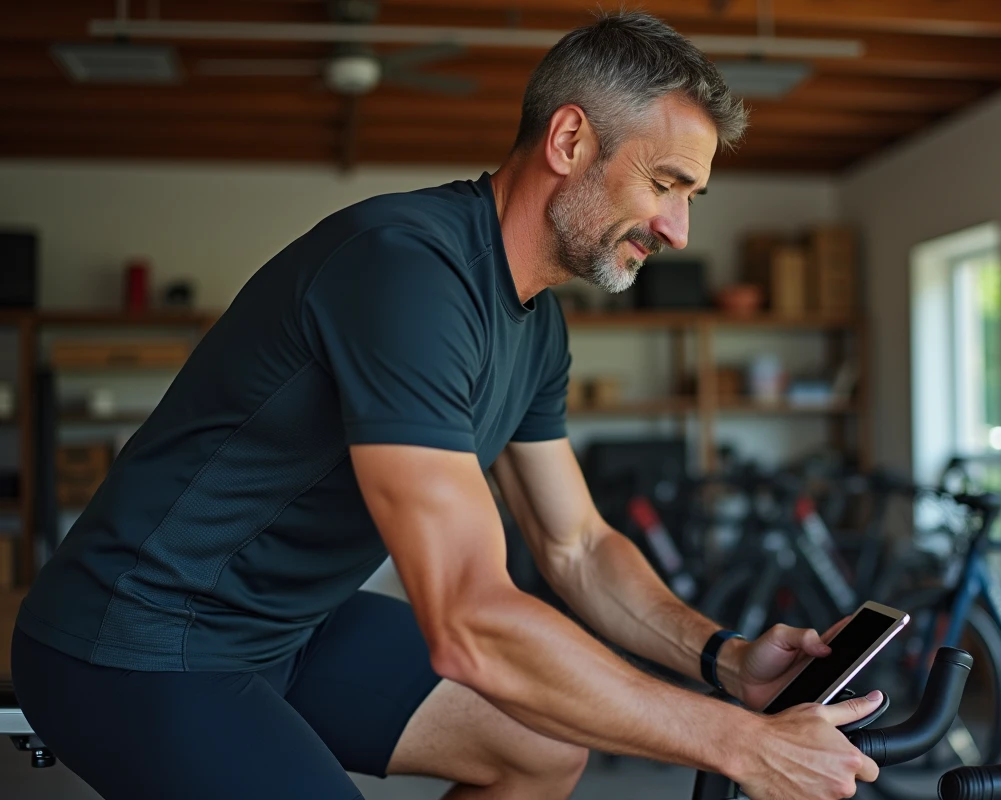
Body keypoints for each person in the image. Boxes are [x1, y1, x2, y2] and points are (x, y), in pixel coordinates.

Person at [10, 11, 881, 800]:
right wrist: (739, 744)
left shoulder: (536, 324)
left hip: (292, 625)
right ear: (570, 140)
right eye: (666, 184)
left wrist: (725, 660)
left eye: (691, 197)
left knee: (541, 751)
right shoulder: (407, 270)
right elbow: (469, 619)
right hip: (138, 635)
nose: (678, 230)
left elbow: (577, 545)